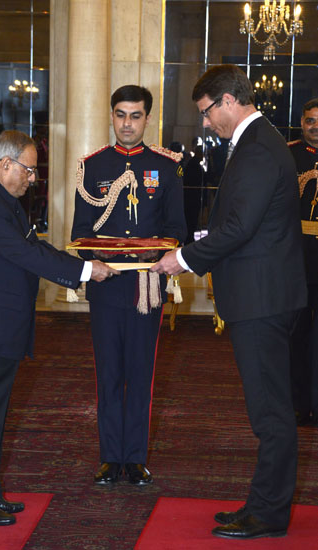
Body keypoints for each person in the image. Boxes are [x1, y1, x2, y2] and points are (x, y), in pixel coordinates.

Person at [151, 65, 307, 539]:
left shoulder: (258, 146)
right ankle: (262, 505)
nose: (203, 123)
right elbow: (238, 221)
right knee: (268, 410)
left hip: (263, 299)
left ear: (226, 101)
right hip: (261, 295)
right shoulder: (257, 141)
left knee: (271, 413)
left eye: (205, 112)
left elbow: (240, 228)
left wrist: (183, 258)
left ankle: (269, 515)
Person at [0, 130, 118, 526]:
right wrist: (87, 271)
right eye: (29, 169)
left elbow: (35, 247)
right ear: (5, 164)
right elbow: (24, 254)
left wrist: (84, 263)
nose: (32, 178)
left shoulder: (2, 200)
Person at [71, 85, 186, 486]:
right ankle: (109, 456)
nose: (127, 123)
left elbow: (175, 230)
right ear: (111, 115)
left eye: (135, 116)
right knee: (108, 373)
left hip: (145, 288)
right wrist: (93, 265)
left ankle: (134, 457)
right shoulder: (94, 167)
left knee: (140, 372)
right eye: (120, 114)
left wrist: (154, 260)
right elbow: (81, 232)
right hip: (105, 285)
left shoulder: (166, 167)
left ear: (147, 119)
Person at [288, 98, 318, 426]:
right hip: (296, 259)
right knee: (296, 336)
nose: (315, 127)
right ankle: (298, 403)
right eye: (310, 121)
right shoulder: (289, 154)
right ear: (302, 121)